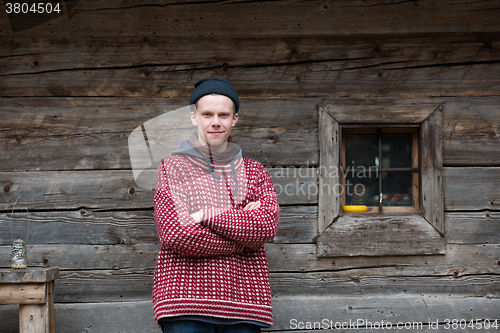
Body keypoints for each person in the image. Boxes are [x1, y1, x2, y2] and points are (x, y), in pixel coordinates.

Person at [153, 78, 280, 333]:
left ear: (234, 119)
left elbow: (265, 227)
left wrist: (204, 215)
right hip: (184, 302)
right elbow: (176, 234)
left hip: (244, 303)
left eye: (223, 115)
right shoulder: (172, 168)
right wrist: (241, 238)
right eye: (207, 114)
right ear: (193, 117)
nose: (215, 122)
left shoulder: (255, 172)